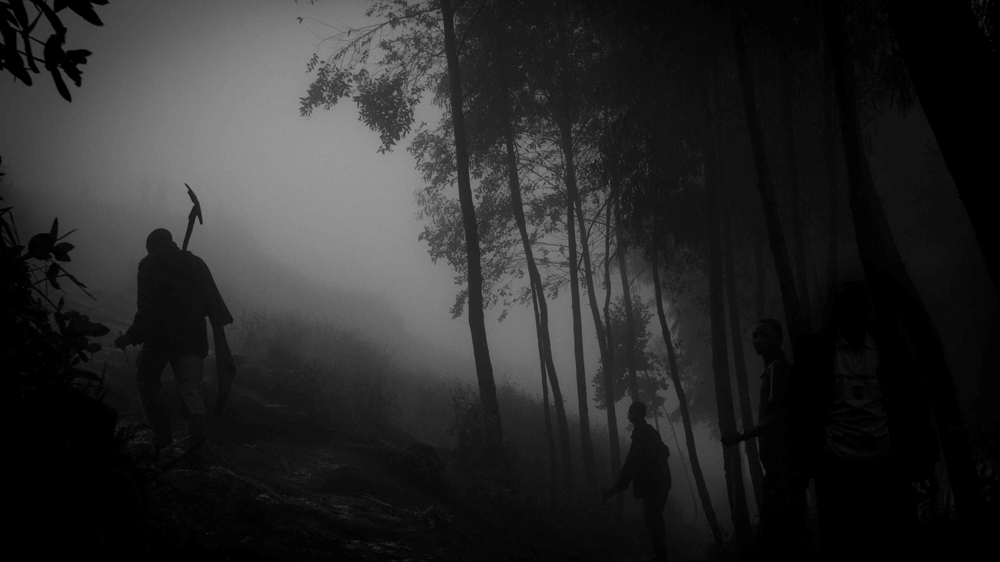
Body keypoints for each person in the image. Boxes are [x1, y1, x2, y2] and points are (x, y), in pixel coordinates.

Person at [795, 281, 938, 562]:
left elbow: (911, 404)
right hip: (836, 464)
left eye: (858, 308)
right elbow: (802, 411)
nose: (852, 315)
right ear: (837, 311)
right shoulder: (818, 351)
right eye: (846, 308)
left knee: (891, 539)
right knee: (841, 541)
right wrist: (803, 463)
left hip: (885, 463)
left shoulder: (888, 348)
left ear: (866, 311)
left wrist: (923, 456)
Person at [114, 228, 222, 466]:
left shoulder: (151, 265)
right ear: (170, 243)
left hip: (161, 338)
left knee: (146, 379)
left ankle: (163, 443)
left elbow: (148, 308)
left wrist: (131, 336)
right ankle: (198, 450)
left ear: (151, 247)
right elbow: (211, 302)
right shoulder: (195, 263)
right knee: (192, 393)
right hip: (193, 338)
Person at [722, 319, 807, 558]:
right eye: (754, 336)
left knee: (778, 533)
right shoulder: (773, 369)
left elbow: (778, 417)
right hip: (779, 465)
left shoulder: (777, 368)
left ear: (777, 338)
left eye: (763, 335)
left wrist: (740, 436)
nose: (756, 340)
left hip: (784, 465)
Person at [602, 402, 672, 562]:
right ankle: (661, 555)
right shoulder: (647, 432)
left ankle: (661, 556)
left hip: (656, 483)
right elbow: (639, 461)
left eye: (630, 411)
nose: (628, 413)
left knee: (652, 518)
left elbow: (631, 464)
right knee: (653, 518)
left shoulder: (643, 434)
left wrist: (613, 490)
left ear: (637, 414)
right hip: (659, 482)